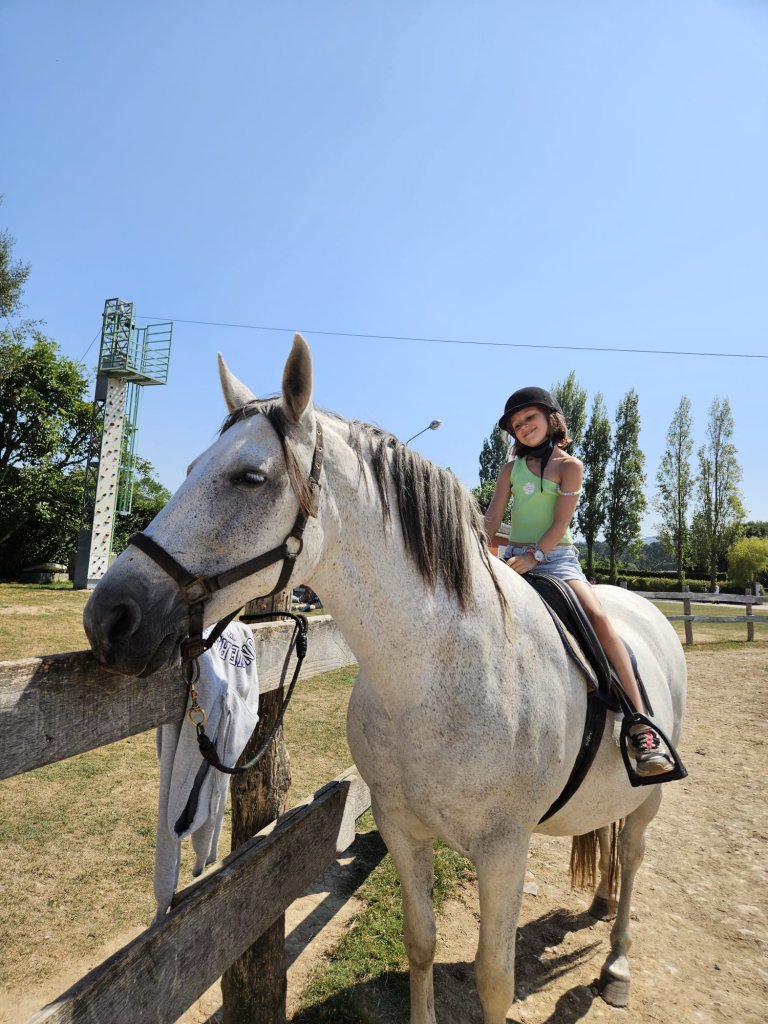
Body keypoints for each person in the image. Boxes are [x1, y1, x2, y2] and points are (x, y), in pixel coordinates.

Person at [484, 387, 674, 777]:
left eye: (529, 418)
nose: (523, 427)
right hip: (513, 556)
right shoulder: (509, 470)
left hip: (555, 558)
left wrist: (535, 556)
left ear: (550, 418)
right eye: (516, 425)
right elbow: (492, 519)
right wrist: (480, 550)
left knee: (597, 618)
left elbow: (560, 523)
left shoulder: (570, 466)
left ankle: (641, 724)